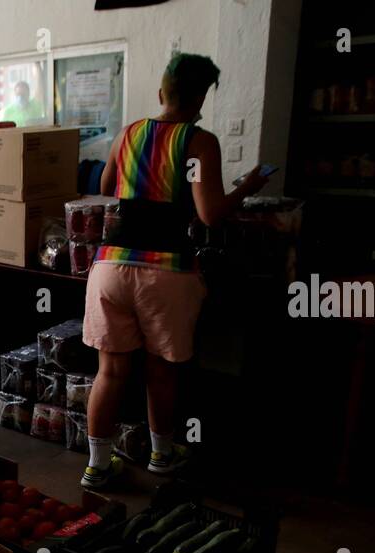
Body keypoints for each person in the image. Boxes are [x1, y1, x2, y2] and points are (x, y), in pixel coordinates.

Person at [81, 53, 267, 489]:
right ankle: (162, 456)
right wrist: (248, 186)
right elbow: (210, 213)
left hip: (111, 267)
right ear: (201, 96)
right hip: (166, 271)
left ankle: (97, 466)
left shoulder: (129, 133)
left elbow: (106, 188)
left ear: (162, 92)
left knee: (109, 372)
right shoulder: (200, 142)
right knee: (160, 370)